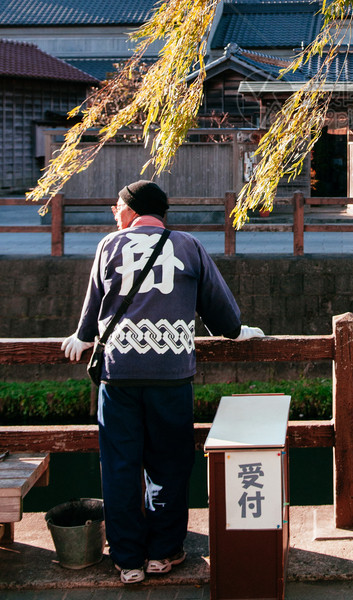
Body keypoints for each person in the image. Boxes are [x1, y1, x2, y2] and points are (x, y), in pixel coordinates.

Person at [61, 179, 263, 585]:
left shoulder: (108, 247)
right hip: (171, 376)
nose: (113, 212)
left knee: (119, 467)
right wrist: (236, 330)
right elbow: (220, 308)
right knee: (169, 465)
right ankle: (163, 552)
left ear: (133, 209)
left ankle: (128, 559)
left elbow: (93, 305)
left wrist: (82, 337)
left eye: (117, 205)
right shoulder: (188, 246)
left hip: (118, 376)